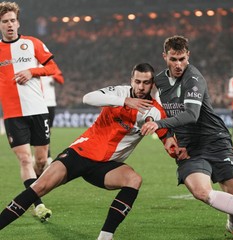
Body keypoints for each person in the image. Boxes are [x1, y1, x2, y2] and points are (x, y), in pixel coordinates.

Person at [0, 63, 177, 240]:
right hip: (80, 153)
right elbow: (88, 98)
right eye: (137, 81)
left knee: (134, 179)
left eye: (146, 82)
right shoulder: (118, 92)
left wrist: (172, 147)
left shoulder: (155, 111)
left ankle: (105, 237)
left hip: (106, 167)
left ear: (152, 84)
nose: (140, 87)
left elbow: (167, 139)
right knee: (39, 187)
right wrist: (124, 101)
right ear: (131, 80)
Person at [141, 35, 233, 240]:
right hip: (189, 147)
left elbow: (191, 115)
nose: (178, 64)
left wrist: (159, 125)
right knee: (201, 192)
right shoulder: (160, 80)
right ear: (165, 57)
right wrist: (168, 136)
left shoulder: (194, 78)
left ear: (188, 55)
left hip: (215, 139)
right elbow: (158, 108)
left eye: (182, 59)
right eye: (173, 59)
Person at [0, 1, 62, 221]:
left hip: (37, 109)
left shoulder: (33, 43)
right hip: (13, 114)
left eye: (13, 21)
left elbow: (53, 68)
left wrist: (32, 71)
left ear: (18, 22)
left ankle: (35, 192)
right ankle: (38, 205)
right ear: (0, 24)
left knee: (40, 160)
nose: (10, 25)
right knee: (25, 160)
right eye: (5, 21)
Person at [40, 62, 65, 163]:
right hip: (39, 103)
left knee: (48, 130)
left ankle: (46, 154)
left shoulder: (51, 66)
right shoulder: (33, 67)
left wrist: (52, 75)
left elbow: (61, 80)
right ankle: (45, 155)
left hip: (51, 103)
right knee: (41, 130)